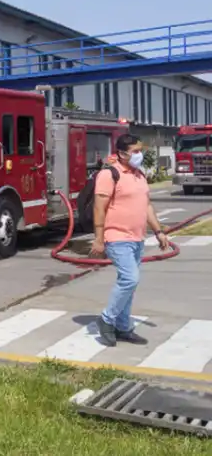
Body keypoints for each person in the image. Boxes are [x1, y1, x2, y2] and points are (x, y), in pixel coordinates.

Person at [90, 134, 170, 347]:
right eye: (135, 151)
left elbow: (147, 206)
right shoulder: (109, 174)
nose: (139, 155)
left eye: (139, 150)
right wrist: (99, 238)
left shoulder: (139, 174)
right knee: (130, 279)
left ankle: (123, 327)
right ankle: (106, 320)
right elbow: (99, 208)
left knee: (130, 285)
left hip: (137, 237)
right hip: (117, 237)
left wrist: (159, 231)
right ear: (122, 153)